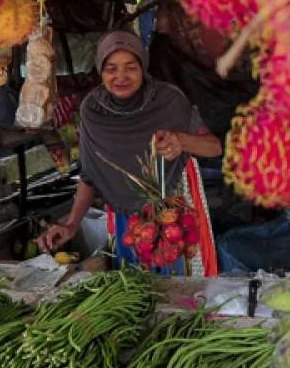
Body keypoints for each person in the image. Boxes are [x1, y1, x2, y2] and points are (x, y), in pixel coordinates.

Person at [37, 31, 221, 272]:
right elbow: (90, 175)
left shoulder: (169, 100)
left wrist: (182, 141)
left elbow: (214, 147)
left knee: (185, 289)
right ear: (100, 71)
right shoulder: (93, 111)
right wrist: (71, 224)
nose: (120, 77)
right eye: (111, 68)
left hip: (175, 213)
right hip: (127, 218)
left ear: (142, 68)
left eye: (130, 67)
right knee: (136, 288)